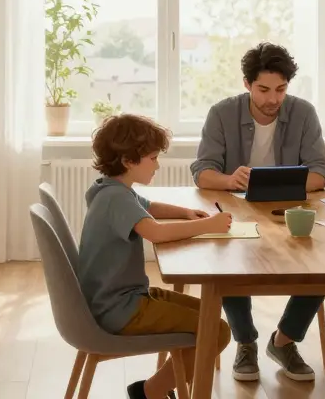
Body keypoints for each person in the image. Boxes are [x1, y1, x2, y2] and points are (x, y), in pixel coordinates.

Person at [189, 41, 325, 383]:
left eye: (281, 89)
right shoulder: (222, 113)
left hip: (288, 211)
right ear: (247, 84)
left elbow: (321, 172)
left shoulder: (303, 112)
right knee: (230, 260)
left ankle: (284, 340)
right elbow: (202, 171)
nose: (273, 99)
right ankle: (246, 342)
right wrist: (228, 178)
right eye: (263, 89)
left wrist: (285, 181)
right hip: (236, 211)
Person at [78, 113, 233, 399]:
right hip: (120, 309)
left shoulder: (108, 189)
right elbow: (156, 233)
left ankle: (151, 391)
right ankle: (150, 392)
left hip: (118, 299)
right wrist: (208, 225)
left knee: (211, 318)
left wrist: (185, 213)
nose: (157, 165)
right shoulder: (116, 199)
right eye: (152, 158)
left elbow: (148, 206)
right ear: (128, 160)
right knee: (217, 332)